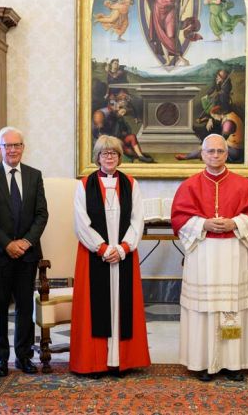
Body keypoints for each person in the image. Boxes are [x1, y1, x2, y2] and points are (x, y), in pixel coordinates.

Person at [171, 134, 248, 382]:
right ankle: (202, 362)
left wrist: (234, 222)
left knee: (231, 308)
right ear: (202, 154)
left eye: (220, 151)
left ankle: (233, 363)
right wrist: (204, 223)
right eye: (210, 151)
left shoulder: (243, 184)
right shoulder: (189, 185)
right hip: (203, 254)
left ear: (227, 154)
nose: (215, 155)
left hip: (233, 252)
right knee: (203, 310)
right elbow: (179, 218)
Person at [70, 135, 151, 377]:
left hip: (123, 256)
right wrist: (102, 248)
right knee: (96, 309)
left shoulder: (131, 184)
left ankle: (121, 362)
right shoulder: (84, 185)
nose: (109, 157)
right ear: (97, 157)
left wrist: (125, 247)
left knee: (122, 307)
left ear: (120, 156)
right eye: (105, 153)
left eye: (114, 153)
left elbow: (138, 219)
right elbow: (80, 223)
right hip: (95, 256)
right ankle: (95, 363)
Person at [0, 126, 49, 375]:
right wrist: (7, 244)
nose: (12, 150)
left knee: (24, 306)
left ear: (23, 147)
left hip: (28, 253)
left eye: (16, 145)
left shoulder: (34, 175)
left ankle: (23, 356)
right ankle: (0, 358)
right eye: (7, 145)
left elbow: (42, 214)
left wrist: (25, 242)